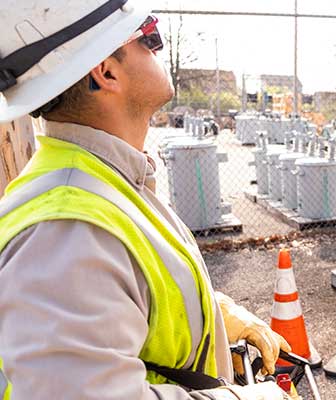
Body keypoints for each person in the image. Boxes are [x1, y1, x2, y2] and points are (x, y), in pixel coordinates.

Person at [0, 1, 292, 398]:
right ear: (106, 71)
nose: (158, 46)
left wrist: (221, 316)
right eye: (149, 35)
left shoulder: (104, 180)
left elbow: (135, 293)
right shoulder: (66, 233)